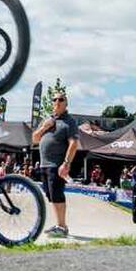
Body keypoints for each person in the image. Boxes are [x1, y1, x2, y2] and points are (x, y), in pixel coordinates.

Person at [31, 92, 78, 238]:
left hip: (57, 165)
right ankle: (59, 225)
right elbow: (34, 139)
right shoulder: (47, 120)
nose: (57, 101)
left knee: (57, 194)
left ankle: (62, 227)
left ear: (66, 103)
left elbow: (74, 143)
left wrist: (66, 164)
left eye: (61, 99)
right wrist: (44, 127)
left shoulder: (69, 121)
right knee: (50, 195)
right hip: (44, 165)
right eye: (55, 99)